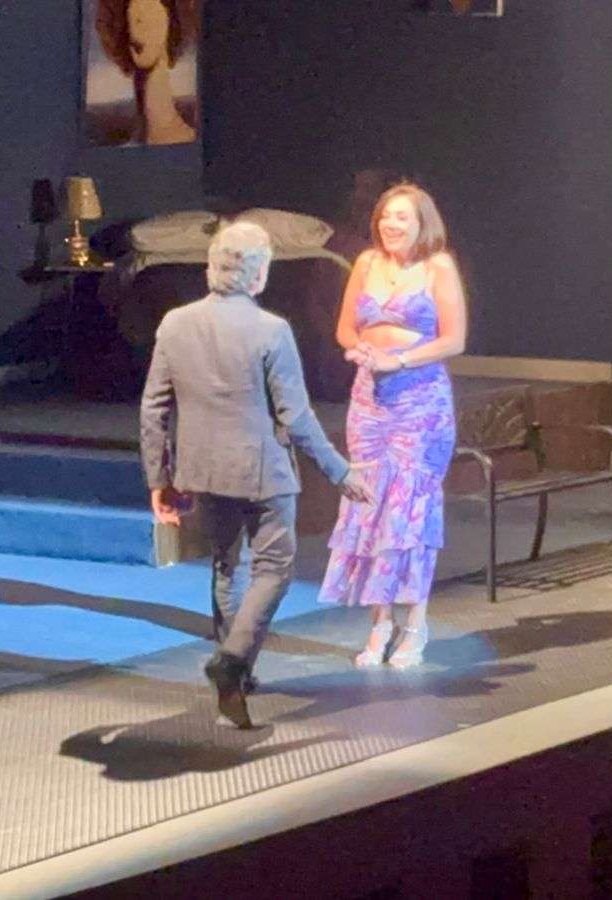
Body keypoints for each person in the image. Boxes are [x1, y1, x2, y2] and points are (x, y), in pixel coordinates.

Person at [140, 221, 371, 728]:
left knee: (228, 565)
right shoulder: (271, 330)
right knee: (275, 568)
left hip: (202, 468)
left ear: (212, 266)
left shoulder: (174, 324)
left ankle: (236, 679)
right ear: (259, 272)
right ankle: (233, 660)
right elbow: (296, 416)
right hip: (262, 470)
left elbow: (154, 407)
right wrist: (339, 472)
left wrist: (160, 477)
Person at [318, 183, 467, 668]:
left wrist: (399, 360)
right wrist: (359, 349)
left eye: (402, 216)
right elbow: (345, 327)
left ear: (422, 222)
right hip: (370, 400)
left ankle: (416, 623)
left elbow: (454, 340)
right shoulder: (366, 263)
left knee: (409, 511)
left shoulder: (438, 266)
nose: (391, 224)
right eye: (385, 216)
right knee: (371, 507)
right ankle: (380, 621)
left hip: (419, 402)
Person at [94, 0, 199, 145]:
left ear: (169, 21)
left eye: (149, 8)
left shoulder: (192, 142)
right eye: (129, 13)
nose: (135, 24)